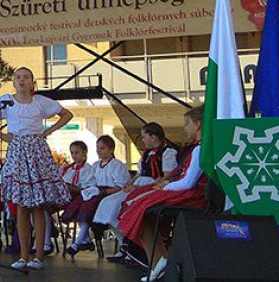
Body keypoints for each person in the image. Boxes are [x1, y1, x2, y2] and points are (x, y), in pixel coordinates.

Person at [0, 66, 72, 270]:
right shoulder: (7, 102)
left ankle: (38, 256)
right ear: (13, 82)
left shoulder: (40, 102)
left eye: (26, 77)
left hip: (37, 152)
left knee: (38, 206)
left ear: (32, 82)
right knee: (21, 206)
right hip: (17, 150)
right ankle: (23, 256)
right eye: (18, 77)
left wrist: (48, 131)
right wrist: (2, 136)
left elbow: (66, 114)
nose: (22, 80)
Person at [118, 107, 205, 282]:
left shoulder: (199, 150)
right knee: (135, 205)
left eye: (187, 124)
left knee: (138, 208)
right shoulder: (196, 148)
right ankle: (160, 260)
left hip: (192, 195)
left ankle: (159, 261)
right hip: (186, 191)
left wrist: (165, 187)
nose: (185, 129)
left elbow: (188, 183)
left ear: (198, 125)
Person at [95, 122, 178, 263]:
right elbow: (139, 174)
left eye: (145, 136)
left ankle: (133, 246)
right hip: (138, 186)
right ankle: (125, 244)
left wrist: (141, 188)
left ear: (153, 137)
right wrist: (130, 184)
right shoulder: (146, 154)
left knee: (124, 205)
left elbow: (168, 176)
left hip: (153, 187)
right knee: (107, 203)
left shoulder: (168, 153)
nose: (143, 140)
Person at [64, 135, 130, 257]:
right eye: (97, 148)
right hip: (97, 192)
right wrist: (91, 191)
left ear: (111, 150)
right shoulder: (95, 165)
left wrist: (102, 193)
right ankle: (84, 239)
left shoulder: (117, 165)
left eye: (102, 148)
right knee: (81, 201)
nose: (99, 151)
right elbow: (91, 182)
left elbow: (120, 186)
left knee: (93, 205)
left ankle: (79, 241)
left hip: (111, 194)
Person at [46, 140, 94, 252]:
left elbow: (87, 189)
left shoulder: (88, 169)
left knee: (80, 210)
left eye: (77, 152)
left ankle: (85, 240)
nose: (74, 156)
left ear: (84, 153)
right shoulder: (66, 168)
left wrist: (71, 188)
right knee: (42, 207)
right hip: (61, 195)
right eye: (72, 153)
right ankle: (46, 240)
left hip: (76, 196)